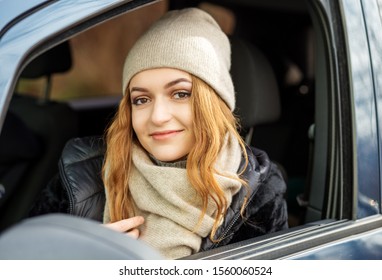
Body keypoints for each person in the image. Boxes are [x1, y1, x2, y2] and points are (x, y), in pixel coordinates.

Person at [30, 7, 288, 259]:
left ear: (214, 102)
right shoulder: (81, 174)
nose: (158, 116)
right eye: (141, 99)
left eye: (180, 94)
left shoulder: (258, 194)